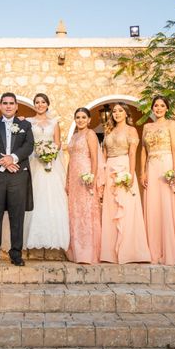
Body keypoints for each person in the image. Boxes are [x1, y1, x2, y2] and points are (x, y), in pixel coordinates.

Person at [0, 92, 34, 266]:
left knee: (17, 216)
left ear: (17, 106)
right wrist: (4, 162)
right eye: (5, 103)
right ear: (0, 106)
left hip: (18, 175)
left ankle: (16, 254)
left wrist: (13, 158)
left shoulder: (25, 125)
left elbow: (29, 145)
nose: (8, 106)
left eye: (12, 103)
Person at [100, 102, 151, 264]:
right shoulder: (108, 130)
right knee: (111, 210)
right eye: (114, 111)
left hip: (123, 168)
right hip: (109, 169)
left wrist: (129, 174)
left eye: (120, 111)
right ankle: (110, 253)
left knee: (126, 208)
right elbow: (104, 154)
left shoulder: (131, 130)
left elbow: (132, 154)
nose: (116, 113)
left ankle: (129, 251)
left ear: (126, 114)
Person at [141, 96, 175, 265]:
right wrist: (143, 172)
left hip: (167, 164)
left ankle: (169, 251)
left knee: (167, 205)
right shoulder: (147, 126)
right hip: (151, 167)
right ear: (152, 108)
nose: (159, 108)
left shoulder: (171, 125)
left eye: (162, 105)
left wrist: (174, 170)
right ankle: (153, 251)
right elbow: (143, 150)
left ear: (166, 108)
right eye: (156, 105)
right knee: (153, 206)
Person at [24, 93, 70, 251]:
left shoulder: (54, 122)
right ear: (34, 105)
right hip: (35, 161)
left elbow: (58, 143)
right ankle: (34, 237)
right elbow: (27, 141)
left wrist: (50, 154)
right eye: (37, 102)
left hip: (51, 163)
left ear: (47, 104)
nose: (40, 105)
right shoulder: (28, 122)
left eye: (43, 102)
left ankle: (55, 237)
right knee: (36, 195)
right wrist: (39, 153)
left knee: (53, 197)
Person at [66, 107, 102, 264]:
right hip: (74, 177)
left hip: (86, 174)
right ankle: (76, 250)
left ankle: (88, 252)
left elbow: (95, 157)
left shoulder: (90, 134)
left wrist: (92, 177)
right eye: (77, 117)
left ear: (89, 120)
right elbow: (71, 159)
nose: (80, 120)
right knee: (74, 211)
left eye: (83, 117)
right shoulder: (74, 137)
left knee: (86, 211)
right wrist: (67, 180)